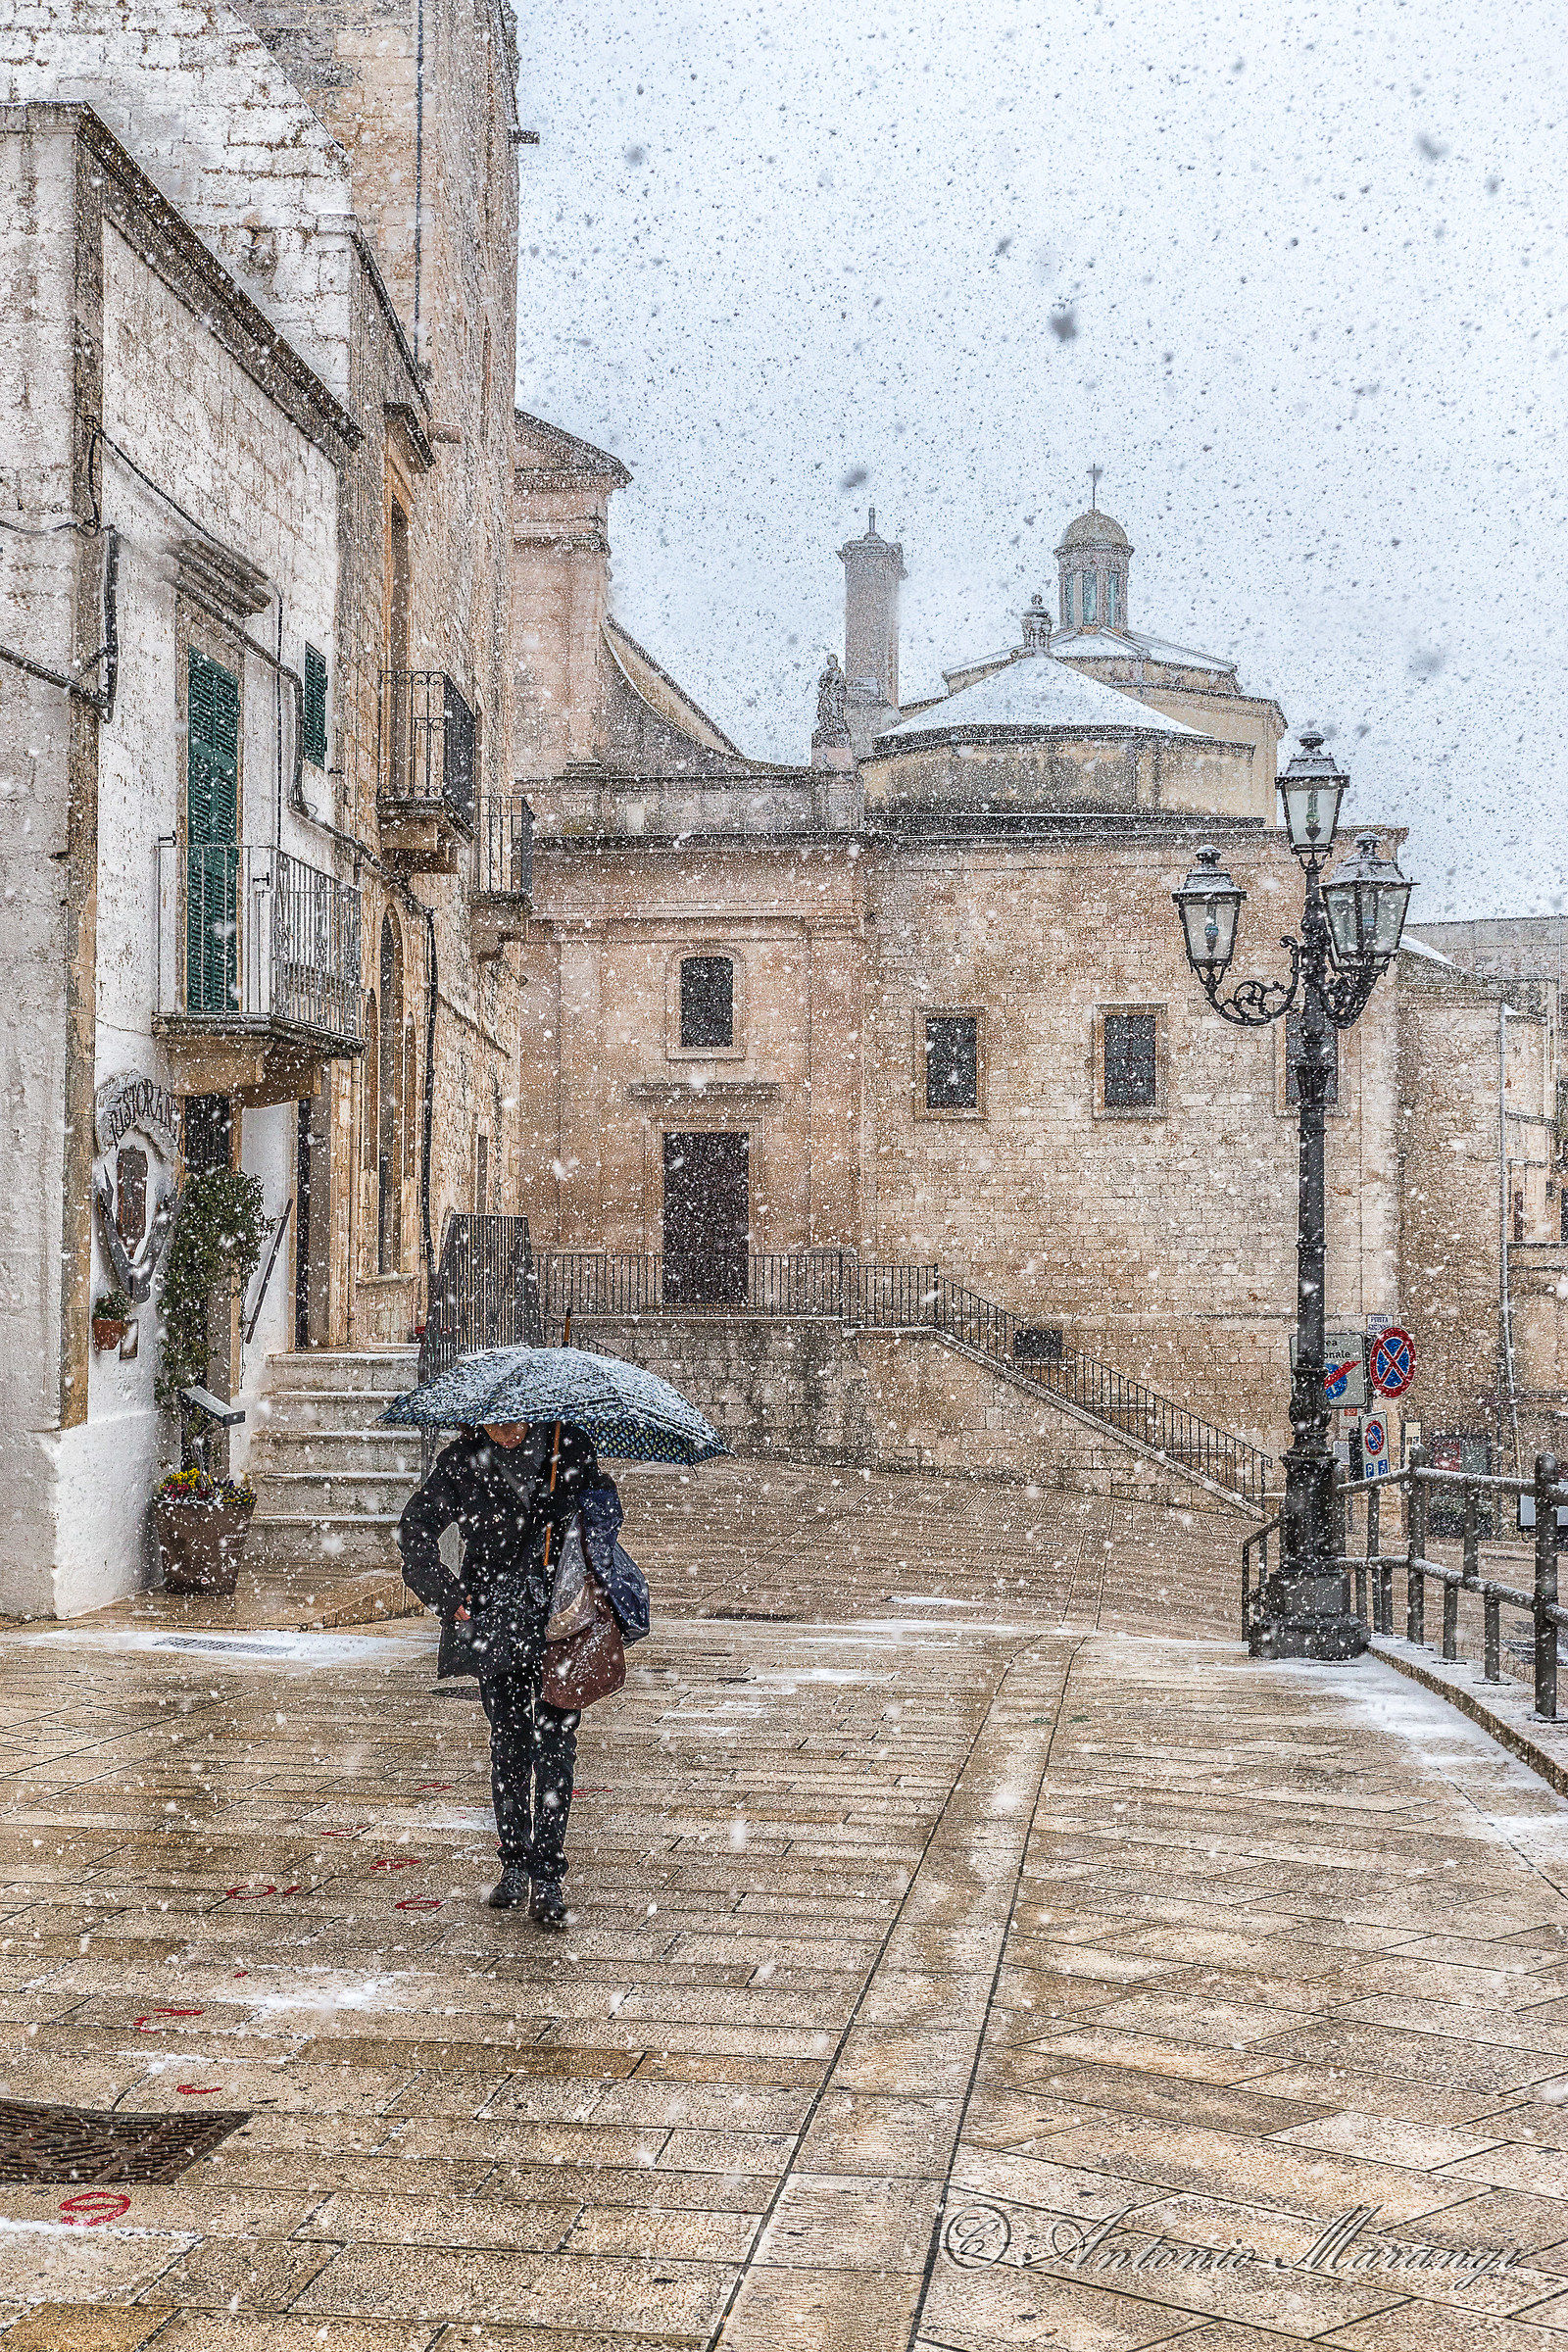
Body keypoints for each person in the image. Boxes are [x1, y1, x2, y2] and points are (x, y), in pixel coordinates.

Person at [397, 1418, 619, 1927]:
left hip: (557, 1620)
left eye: (514, 1424)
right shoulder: (460, 1461)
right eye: (495, 1427)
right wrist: (447, 1595)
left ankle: (548, 1876)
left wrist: (574, 1513)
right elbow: (417, 1529)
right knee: (510, 1743)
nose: (506, 1435)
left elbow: (608, 1513)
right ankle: (515, 1863)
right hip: (493, 1619)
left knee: (556, 1746)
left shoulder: (567, 1448)